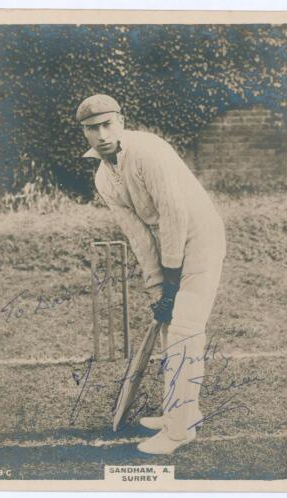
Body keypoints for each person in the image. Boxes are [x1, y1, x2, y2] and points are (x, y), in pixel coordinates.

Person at [76, 94, 226, 454]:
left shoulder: (148, 151)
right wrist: (158, 288)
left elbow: (174, 213)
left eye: (107, 124)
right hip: (169, 244)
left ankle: (178, 432)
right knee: (168, 326)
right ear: (84, 133)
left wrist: (172, 278)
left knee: (184, 331)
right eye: (92, 128)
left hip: (201, 237)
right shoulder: (103, 178)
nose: (101, 134)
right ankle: (184, 411)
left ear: (121, 122)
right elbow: (139, 237)